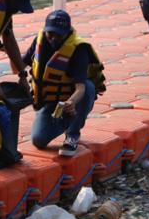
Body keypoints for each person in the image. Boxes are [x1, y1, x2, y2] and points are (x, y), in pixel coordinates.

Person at [23, 9, 105, 157]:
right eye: (50, 34)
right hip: (50, 100)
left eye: (58, 35)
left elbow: (80, 88)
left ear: (67, 33)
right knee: (38, 140)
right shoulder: (39, 41)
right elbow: (20, 64)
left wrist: (71, 102)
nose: (53, 38)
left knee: (88, 88)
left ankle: (72, 134)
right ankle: (65, 121)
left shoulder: (79, 49)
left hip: (73, 98)